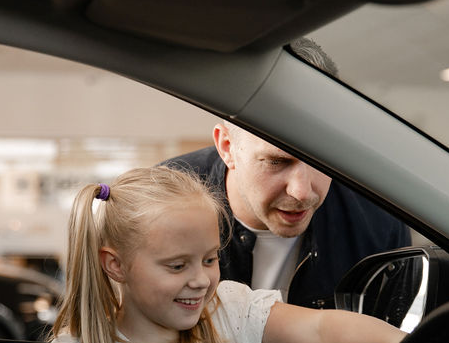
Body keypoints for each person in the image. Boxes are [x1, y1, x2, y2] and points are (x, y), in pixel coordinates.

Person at [50, 167, 446, 343]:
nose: (201, 280)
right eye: (177, 265)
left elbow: (321, 327)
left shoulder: (228, 310)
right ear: (115, 265)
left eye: (209, 259)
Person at [162, 39, 410, 310]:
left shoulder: (378, 220)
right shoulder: (159, 203)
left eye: (323, 159)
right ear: (227, 147)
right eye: (277, 162)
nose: (303, 192)